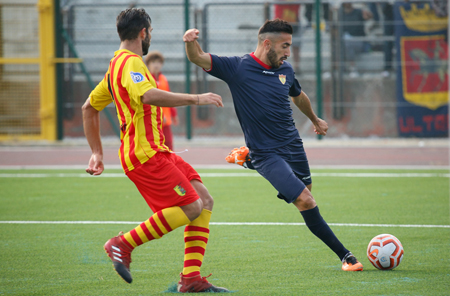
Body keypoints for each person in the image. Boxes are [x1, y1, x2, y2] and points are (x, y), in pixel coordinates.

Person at [184, 19, 363, 272]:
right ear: (267, 43)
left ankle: (248, 160)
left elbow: (298, 95)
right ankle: (346, 256)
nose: (288, 52)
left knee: (306, 189)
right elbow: (198, 58)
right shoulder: (237, 67)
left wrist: (315, 119)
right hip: (266, 152)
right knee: (306, 201)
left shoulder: (285, 70)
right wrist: (190, 42)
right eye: (285, 46)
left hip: (293, 144)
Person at [81, 8, 228, 293]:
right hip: (144, 153)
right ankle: (121, 244)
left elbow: (89, 108)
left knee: (204, 200)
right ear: (143, 32)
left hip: (156, 150)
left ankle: (191, 278)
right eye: (151, 32)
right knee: (191, 206)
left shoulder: (116, 67)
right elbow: (148, 95)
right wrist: (197, 98)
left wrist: (97, 152)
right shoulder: (131, 63)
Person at [145, 51, 178, 150]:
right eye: (153, 62)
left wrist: (174, 114)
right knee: (155, 145)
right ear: (148, 64)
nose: (156, 65)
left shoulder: (163, 79)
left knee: (168, 143)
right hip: (153, 119)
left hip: (166, 120)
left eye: (159, 62)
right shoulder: (146, 79)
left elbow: (169, 97)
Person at [340, 3, 373, 77]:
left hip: (359, 40)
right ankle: (339, 68)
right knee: (342, 43)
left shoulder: (358, 12)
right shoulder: (341, 14)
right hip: (346, 41)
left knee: (348, 44)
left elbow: (369, 17)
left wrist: (368, 14)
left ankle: (353, 68)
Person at [273, 1, 301, 73]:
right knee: (281, 46)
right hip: (281, 23)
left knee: (296, 45)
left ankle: (296, 66)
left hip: (294, 22)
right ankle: (280, 65)